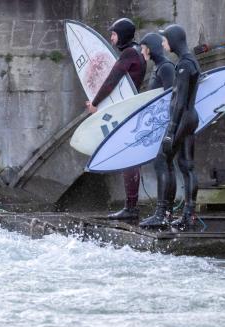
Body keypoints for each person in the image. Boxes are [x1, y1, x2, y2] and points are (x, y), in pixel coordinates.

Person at [85, 18, 147, 220]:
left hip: (126, 112)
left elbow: (112, 80)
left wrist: (95, 103)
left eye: (113, 34)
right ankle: (131, 206)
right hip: (131, 109)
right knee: (131, 160)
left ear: (122, 34)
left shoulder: (129, 53)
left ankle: (131, 208)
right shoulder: (137, 52)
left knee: (129, 160)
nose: (111, 39)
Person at [151, 24, 201, 231]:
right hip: (191, 118)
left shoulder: (182, 65)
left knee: (162, 159)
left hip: (182, 119)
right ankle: (188, 215)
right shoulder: (191, 62)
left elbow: (179, 102)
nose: (163, 43)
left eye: (165, 39)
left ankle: (163, 214)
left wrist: (171, 131)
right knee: (186, 165)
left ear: (173, 41)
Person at [137, 32, 176, 228]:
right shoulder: (159, 67)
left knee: (164, 164)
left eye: (143, 47)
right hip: (161, 125)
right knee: (164, 164)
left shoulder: (167, 67)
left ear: (150, 47)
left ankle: (163, 213)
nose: (141, 50)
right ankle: (165, 213)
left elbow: (172, 97)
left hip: (167, 125)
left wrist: (169, 128)